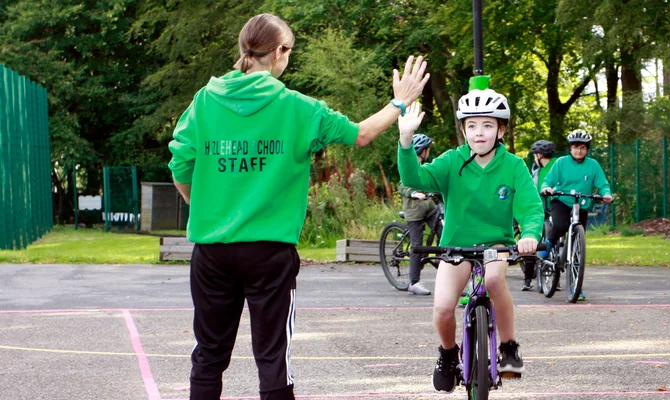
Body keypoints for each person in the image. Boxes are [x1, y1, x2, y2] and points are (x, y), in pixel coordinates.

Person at [167, 13, 428, 400]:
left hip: (213, 251)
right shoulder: (297, 107)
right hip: (269, 252)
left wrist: (205, 208)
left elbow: (180, 166)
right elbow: (362, 134)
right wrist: (400, 102)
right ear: (279, 52)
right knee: (273, 359)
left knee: (208, 355)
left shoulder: (205, 101)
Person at [396, 76, 543, 393]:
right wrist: (406, 142)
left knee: (493, 280)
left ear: (500, 130)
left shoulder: (514, 166)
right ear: (464, 130)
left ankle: (509, 347)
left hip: (496, 245)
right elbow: (415, 177)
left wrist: (529, 234)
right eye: (473, 125)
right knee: (444, 308)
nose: (480, 132)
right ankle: (448, 354)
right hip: (456, 247)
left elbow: (530, 208)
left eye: (488, 125)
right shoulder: (452, 161)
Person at [539, 130, 614, 301]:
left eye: (582, 148)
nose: (578, 151)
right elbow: (548, 181)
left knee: (577, 249)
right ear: (569, 149)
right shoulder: (561, 163)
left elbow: (602, 184)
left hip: (581, 205)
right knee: (560, 225)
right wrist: (547, 188)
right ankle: (549, 242)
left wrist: (606, 194)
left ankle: (576, 287)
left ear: (587, 149)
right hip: (562, 201)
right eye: (575, 147)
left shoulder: (593, 165)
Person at [398, 133, 438, 295]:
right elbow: (402, 186)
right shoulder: (409, 165)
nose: (428, 152)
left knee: (446, 234)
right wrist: (414, 193)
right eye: (427, 149)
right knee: (417, 247)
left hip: (429, 208)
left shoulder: (425, 166)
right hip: (414, 212)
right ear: (422, 150)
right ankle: (414, 283)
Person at [519, 139, 558, 291]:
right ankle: (556, 276)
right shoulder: (557, 165)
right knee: (557, 242)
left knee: (530, 240)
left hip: (542, 210)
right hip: (554, 209)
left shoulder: (543, 170)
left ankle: (528, 279)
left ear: (539, 155)